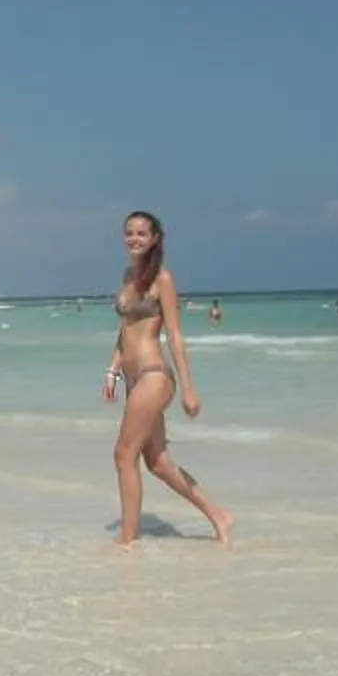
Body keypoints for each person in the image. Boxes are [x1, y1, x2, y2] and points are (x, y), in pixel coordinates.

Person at [102, 210, 232, 546]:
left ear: (155, 238)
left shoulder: (163, 279)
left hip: (154, 375)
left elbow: (174, 335)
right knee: (158, 463)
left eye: (142, 233)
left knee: (123, 454)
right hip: (133, 379)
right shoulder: (128, 276)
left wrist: (189, 388)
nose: (134, 239)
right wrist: (113, 369)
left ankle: (128, 538)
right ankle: (220, 516)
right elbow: (125, 330)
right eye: (129, 233)